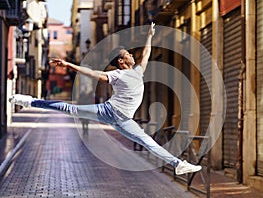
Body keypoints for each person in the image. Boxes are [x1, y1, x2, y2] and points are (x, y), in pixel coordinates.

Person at [9, 22, 202, 175]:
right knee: (69, 109)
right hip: (109, 111)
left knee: (148, 142)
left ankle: (178, 165)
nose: (131, 55)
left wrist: (150, 37)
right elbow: (93, 73)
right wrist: (69, 65)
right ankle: (28, 101)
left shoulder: (138, 71)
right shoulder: (117, 75)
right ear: (120, 60)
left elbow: (146, 54)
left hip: (124, 120)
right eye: (127, 54)